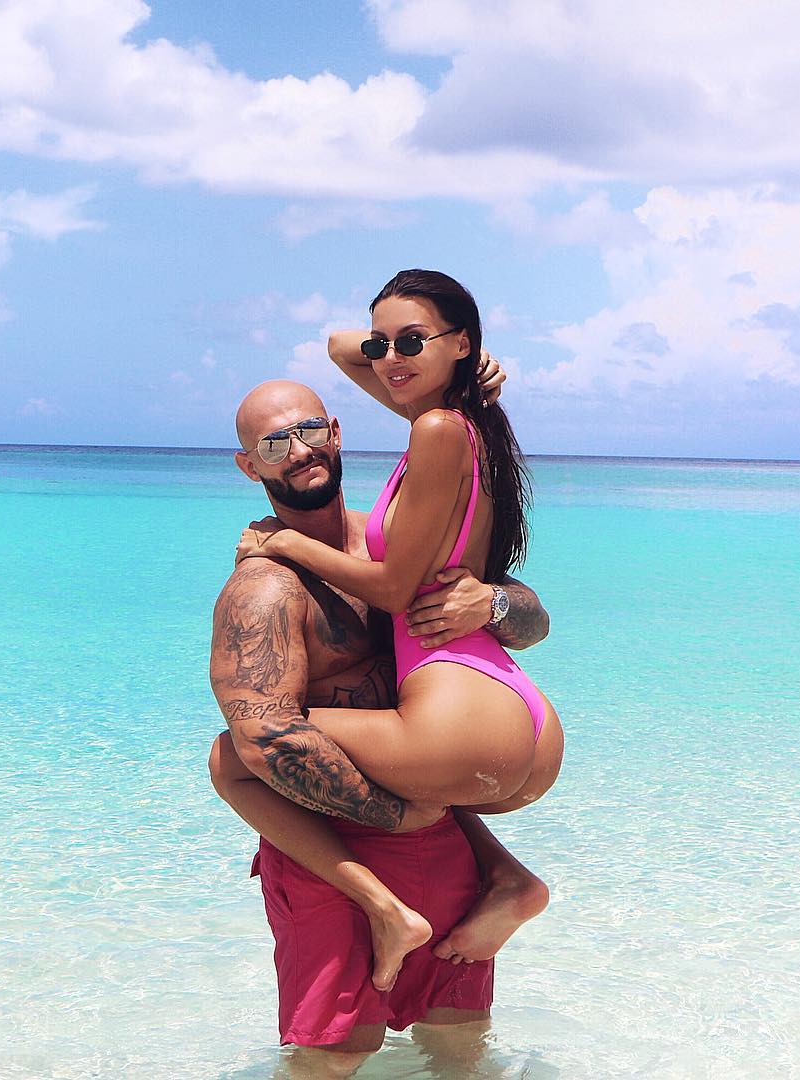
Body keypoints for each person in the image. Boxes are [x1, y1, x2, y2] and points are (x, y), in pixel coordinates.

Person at [209, 378, 551, 1069]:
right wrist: (408, 816)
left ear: (336, 433)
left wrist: (489, 602)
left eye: (308, 430)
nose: (298, 450)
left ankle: (500, 877)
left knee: (452, 1053)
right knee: (350, 1059)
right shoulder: (265, 587)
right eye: (274, 444)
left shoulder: (391, 548)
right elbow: (268, 739)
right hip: (342, 855)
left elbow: (534, 621)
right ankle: (504, 875)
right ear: (249, 466)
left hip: (425, 842)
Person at [233, 270, 564, 966]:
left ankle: (389, 906)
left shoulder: (438, 429)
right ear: (248, 464)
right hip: (514, 713)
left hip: (458, 718)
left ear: (461, 342)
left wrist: (284, 543)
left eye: (412, 342)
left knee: (239, 753)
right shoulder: (463, 426)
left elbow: (391, 591)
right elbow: (337, 344)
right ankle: (509, 877)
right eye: (381, 344)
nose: (388, 359)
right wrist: (437, 351)